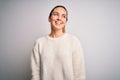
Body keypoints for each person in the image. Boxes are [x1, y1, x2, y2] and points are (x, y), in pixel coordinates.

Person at [31, 5, 86, 80]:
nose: (59, 18)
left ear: (66, 21)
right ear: (49, 18)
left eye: (63, 16)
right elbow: (35, 75)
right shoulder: (39, 43)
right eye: (56, 14)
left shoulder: (73, 41)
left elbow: (79, 75)